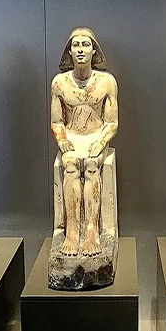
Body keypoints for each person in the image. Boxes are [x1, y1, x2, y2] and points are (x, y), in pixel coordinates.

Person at [50, 28, 119, 257]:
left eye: (85, 45)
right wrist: (62, 140)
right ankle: (72, 232)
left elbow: (111, 123)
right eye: (76, 45)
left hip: (95, 136)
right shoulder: (60, 83)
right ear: (69, 52)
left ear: (94, 51)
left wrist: (101, 141)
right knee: (70, 165)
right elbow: (57, 122)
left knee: (91, 165)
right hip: (72, 137)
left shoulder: (107, 82)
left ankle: (91, 231)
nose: (81, 50)